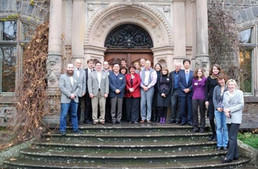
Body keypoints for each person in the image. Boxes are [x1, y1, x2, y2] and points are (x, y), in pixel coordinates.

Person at [222, 79, 244, 163]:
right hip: (228, 117)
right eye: (229, 84)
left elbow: (241, 105)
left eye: (232, 84)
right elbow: (224, 104)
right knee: (232, 137)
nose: (231, 86)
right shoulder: (225, 93)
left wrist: (229, 110)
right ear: (227, 85)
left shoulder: (239, 93)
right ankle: (236, 155)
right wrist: (225, 111)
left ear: (235, 85)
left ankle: (229, 157)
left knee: (231, 137)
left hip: (236, 117)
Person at [59, 64, 80, 135]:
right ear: (66, 68)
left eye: (71, 67)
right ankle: (62, 130)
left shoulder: (76, 77)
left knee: (74, 114)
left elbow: (79, 87)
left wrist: (74, 94)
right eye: (69, 67)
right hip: (65, 99)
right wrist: (69, 94)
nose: (70, 69)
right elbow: (61, 87)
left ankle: (76, 129)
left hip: (75, 98)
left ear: (73, 69)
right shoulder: (63, 76)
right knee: (64, 114)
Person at [205, 64, 222, 141]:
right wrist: (206, 100)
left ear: (219, 70)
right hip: (211, 100)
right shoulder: (209, 78)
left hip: (219, 101)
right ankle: (213, 134)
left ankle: (219, 135)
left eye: (216, 69)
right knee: (211, 118)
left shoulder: (221, 78)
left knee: (219, 119)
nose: (215, 70)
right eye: (214, 69)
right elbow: (206, 90)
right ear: (212, 70)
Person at [213, 73, 228, 150]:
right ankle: (219, 144)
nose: (221, 81)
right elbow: (214, 99)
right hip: (218, 110)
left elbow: (230, 99)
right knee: (219, 127)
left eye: (222, 79)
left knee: (225, 127)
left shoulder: (228, 88)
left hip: (225, 110)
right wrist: (217, 107)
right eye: (219, 80)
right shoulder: (216, 88)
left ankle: (225, 144)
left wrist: (225, 108)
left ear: (224, 79)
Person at [178, 59, 194, 125]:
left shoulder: (192, 73)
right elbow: (179, 82)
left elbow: (194, 82)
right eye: (185, 63)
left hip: (190, 92)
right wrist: (184, 89)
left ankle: (189, 120)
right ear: (183, 65)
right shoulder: (180, 72)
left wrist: (189, 89)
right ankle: (183, 120)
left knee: (190, 107)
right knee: (182, 107)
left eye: (188, 63)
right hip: (182, 92)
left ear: (189, 64)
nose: (186, 64)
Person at [192, 68, 207, 132]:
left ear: (202, 72)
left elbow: (206, 89)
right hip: (195, 97)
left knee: (202, 112)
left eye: (200, 71)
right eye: (198, 71)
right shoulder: (194, 79)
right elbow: (193, 88)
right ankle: (195, 127)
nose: (199, 72)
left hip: (202, 97)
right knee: (194, 111)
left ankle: (202, 127)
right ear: (196, 73)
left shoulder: (205, 79)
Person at [73, 59, 86, 124]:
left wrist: (84, 91)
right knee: (73, 106)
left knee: (80, 106)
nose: (79, 64)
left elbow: (84, 82)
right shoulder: (72, 71)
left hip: (81, 92)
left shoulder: (83, 71)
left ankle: (78, 120)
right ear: (75, 63)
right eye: (77, 63)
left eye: (80, 63)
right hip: (74, 92)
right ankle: (72, 120)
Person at [84, 59, 94, 124]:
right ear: (87, 64)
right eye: (90, 63)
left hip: (94, 92)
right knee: (87, 105)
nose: (91, 64)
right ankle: (86, 119)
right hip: (86, 92)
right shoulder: (84, 71)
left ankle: (91, 118)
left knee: (93, 106)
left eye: (92, 63)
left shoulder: (95, 71)